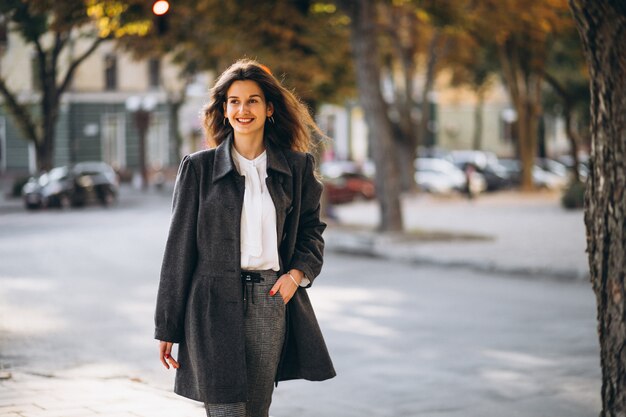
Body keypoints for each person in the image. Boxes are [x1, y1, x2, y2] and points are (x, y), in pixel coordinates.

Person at [154, 59, 335, 417]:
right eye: (234, 101)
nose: (243, 109)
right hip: (211, 304)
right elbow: (178, 250)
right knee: (224, 411)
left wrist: (295, 277)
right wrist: (167, 326)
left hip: (271, 299)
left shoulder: (296, 168)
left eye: (252, 100)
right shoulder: (199, 168)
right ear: (224, 110)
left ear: (269, 109)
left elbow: (313, 231)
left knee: (255, 410)